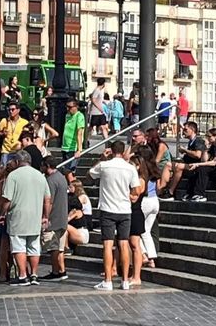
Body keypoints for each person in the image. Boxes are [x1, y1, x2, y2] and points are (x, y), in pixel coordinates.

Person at [88, 140, 141, 291]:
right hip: (125, 209)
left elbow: (90, 174)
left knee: (108, 244)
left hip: (108, 208)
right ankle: (125, 280)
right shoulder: (130, 168)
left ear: (111, 150)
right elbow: (136, 190)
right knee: (124, 244)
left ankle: (108, 280)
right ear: (123, 151)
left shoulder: (105, 166)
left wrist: (101, 158)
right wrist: (129, 196)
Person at [0, 150, 52, 287]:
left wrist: (1, 213)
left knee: (19, 247)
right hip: (35, 216)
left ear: (17, 162)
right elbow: (48, 198)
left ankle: (23, 275)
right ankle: (34, 274)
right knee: (34, 246)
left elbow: (7, 199)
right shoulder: (40, 176)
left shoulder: (13, 176)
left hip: (18, 216)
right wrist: (46, 216)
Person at [128, 153, 159, 286]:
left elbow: (135, 196)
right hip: (155, 200)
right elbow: (160, 185)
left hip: (144, 203)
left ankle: (145, 256)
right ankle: (151, 257)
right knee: (146, 232)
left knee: (140, 234)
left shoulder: (139, 179)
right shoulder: (152, 171)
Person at [40, 156, 70, 281]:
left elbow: (49, 201)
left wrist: (45, 216)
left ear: (47, 166)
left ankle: (55, 271)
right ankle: (62, 270)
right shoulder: (61, 178)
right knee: (60, 247)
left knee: (53, 247)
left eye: (42, 166)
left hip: (54, 219)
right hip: (62, 218)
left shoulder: (51, 180)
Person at [160, 121, 205, 200]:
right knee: (168, 164)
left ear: (192, 129)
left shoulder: (198, 140)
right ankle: (161, 189)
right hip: (188, 164)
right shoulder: (191, 142)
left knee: (178, 167)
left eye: (185, 129)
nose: (183, 132)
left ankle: (171, 192)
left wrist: (185, 151)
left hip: (196, 166)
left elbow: (198, 155)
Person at [186, 128, 216, 202]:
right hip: (214, 171)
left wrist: (198, 164)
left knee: (203, 169)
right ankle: (190, 193)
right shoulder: (213, 147)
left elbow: (214, 162)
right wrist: (205, 148)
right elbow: (204, 160)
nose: (208, 138)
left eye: (209, 136)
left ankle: (200, 194)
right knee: (197, 170)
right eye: (207, 136)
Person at [60, 100, 85, 165]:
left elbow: (79, 133)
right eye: (67, 107)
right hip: (65, 147)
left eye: (70, 107)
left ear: (76, 107)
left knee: (69, 171)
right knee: (65, 170)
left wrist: (79, 150)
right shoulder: (67, 115)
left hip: (73, 148)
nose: (68, 109)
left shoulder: (79, 116)